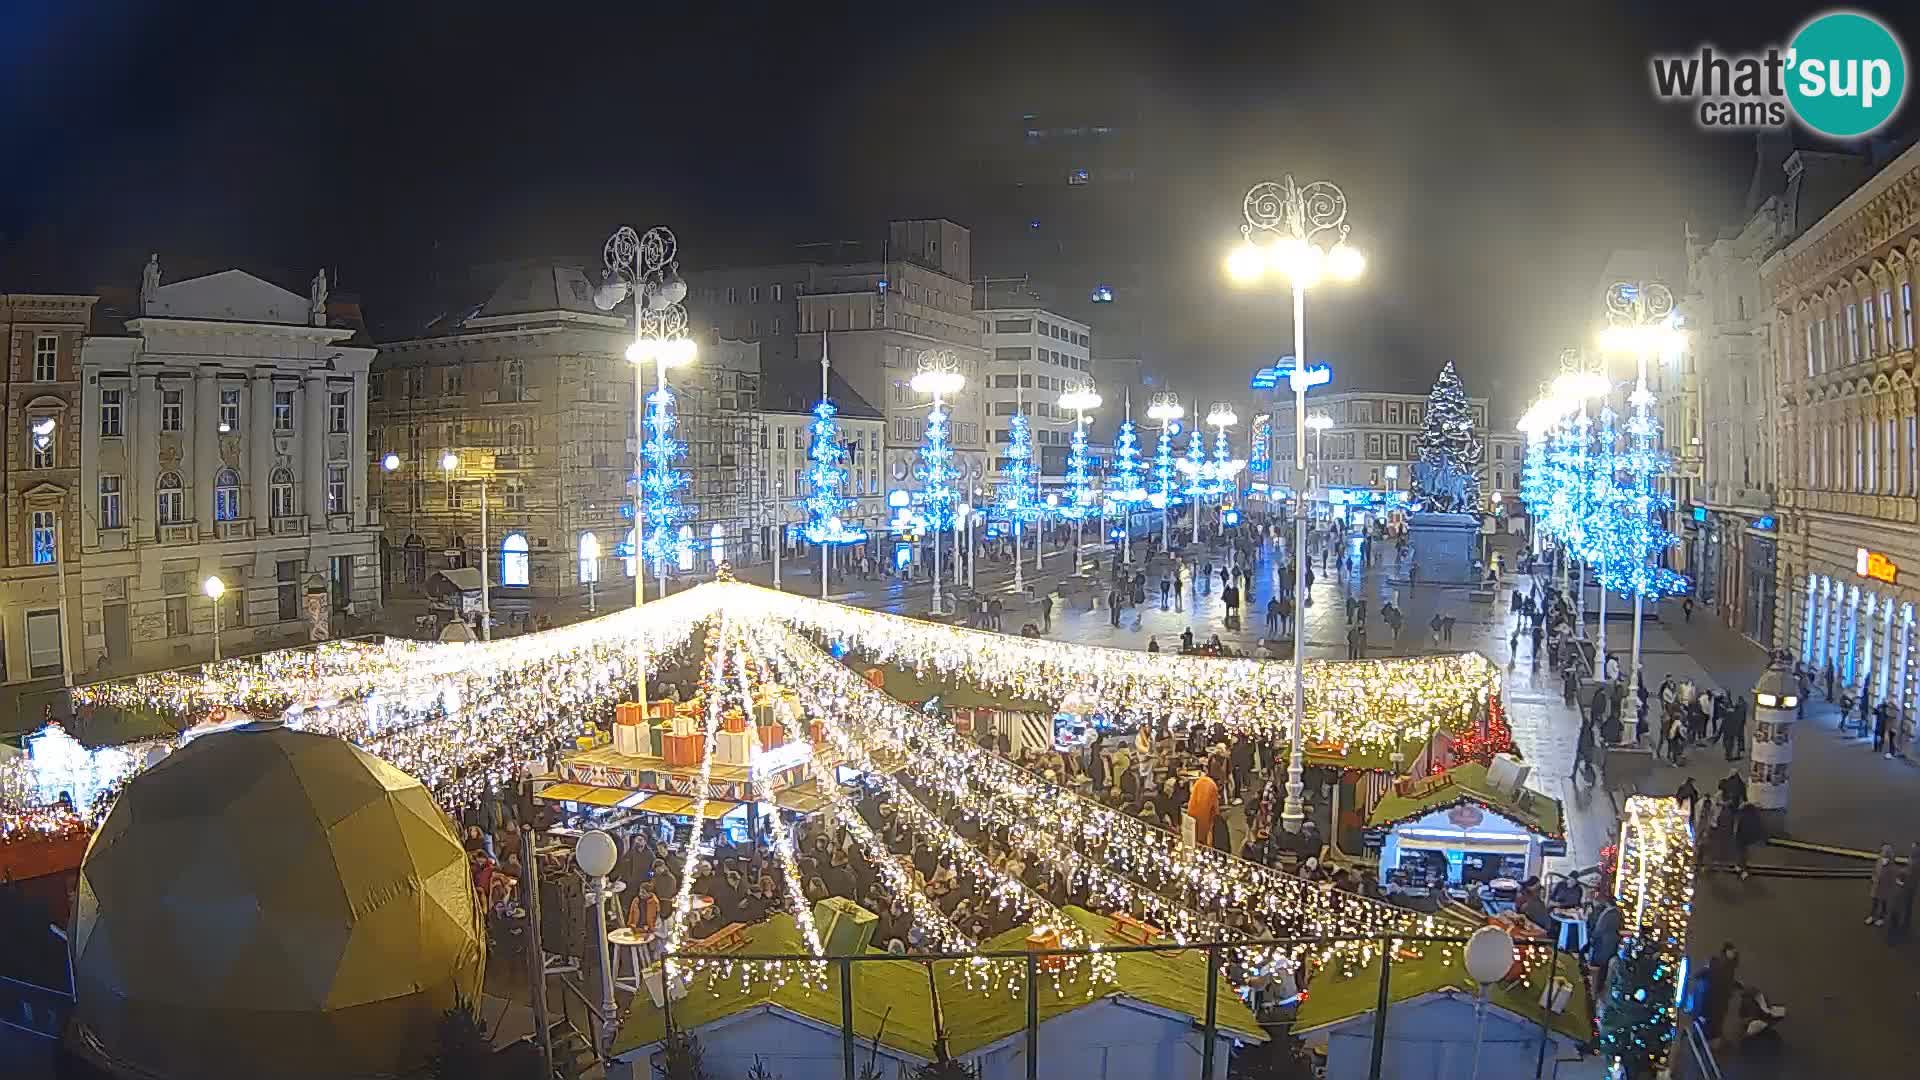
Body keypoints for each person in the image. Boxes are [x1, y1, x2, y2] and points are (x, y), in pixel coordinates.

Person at [1868, 843, 1899, 925]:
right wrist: (1873, 878)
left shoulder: (1892, 867)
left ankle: (1882, 918)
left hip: (1885, 888)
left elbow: (1892, 880)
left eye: (1886, 857)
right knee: (1875, 902)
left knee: (1884, 903)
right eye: (1883, 857)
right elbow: (1875, 871)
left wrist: (1890, 888)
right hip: (1877, 886)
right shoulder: (1879, 861)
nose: (1884, 859)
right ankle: (1872, 916)